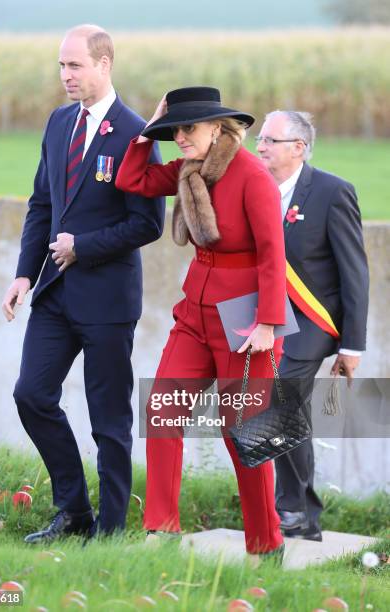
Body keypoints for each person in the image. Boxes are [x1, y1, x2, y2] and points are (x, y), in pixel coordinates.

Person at [1, 24, 165, 543]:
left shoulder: (137, 132)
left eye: (75, 66)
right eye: (61, 66)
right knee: (31, 394)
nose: (65, 75)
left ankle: (112, 531)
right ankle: (73, 510)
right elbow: (42, 204)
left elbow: (149, 223)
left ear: (104, 64)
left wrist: (83, 247)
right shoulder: (57, 123)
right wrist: (25, 271)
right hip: (54, 293)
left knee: (108, 421)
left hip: (108, 301)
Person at [116, 86, 287, 562]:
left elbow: (274, 253)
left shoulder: (252, 176)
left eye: (188, 128)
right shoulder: (189, 169)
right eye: (175, 130)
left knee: (245, 433)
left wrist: (269, 324)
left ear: (218, 128)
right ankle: (162, 532)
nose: (180, 138)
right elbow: (133, 179)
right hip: (194, 311)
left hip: (246, 319)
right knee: (163, 409)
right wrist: (148, 131)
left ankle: (266, 543)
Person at [256, 110, 369, 541]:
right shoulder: (254, 186)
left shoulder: (332, 191)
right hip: (263, 313)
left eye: (270, 140)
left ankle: (295, 509)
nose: (260, 146)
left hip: (312, 318)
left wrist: (352, 346)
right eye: (260, 139)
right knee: (278, 405)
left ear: (298, 148)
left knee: (280, 395)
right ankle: (296, 510)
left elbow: (354, 271)